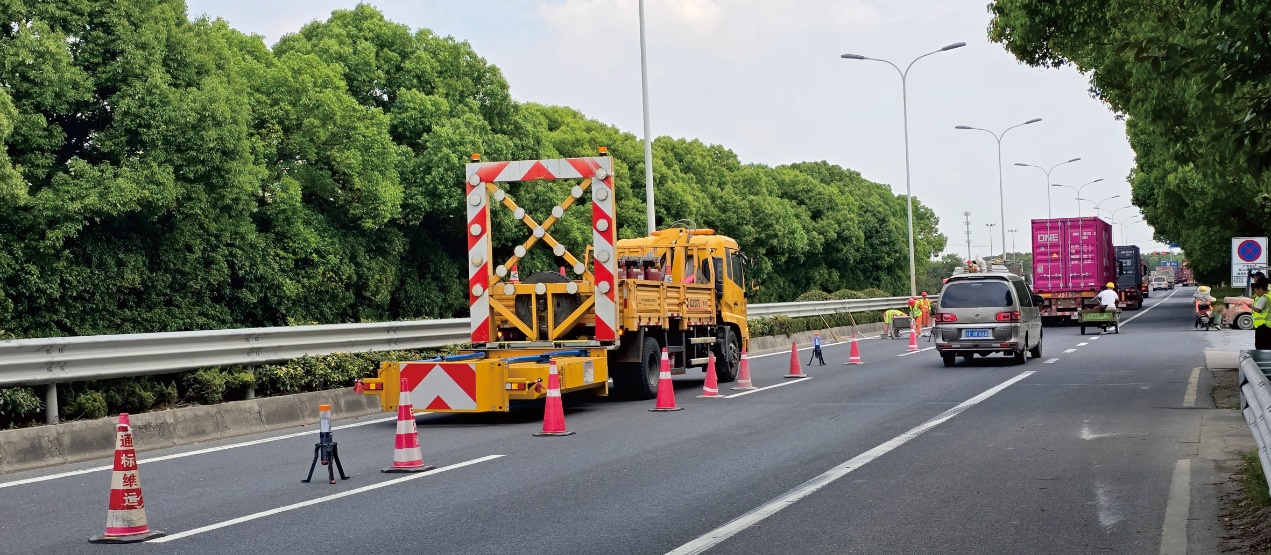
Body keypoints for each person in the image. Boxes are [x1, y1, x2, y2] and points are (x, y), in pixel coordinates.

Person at [1253, 279, 1271, 349]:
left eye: (1256, 291)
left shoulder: (1264, 297)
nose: (1256, 294)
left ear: (1260, 288)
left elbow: (1259, 310)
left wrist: (1251, 306)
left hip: (1263, 325)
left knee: (1261, 347)